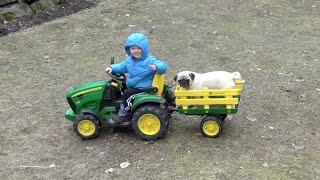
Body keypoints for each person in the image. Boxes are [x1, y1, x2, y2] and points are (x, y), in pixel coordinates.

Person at [105, 33, 167, 123]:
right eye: (133, 48)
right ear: (129, 49)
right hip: (134, 85)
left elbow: (163, 66)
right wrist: (111, 68)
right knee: (123, 85)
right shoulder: (129, 61)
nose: (136, 51)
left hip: (144, 88)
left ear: (144, 49)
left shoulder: (149, 60)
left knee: (127, 93)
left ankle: (124, 113)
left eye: (138, 48)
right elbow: (121, 67)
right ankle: (123, 105)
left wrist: (156, 67)